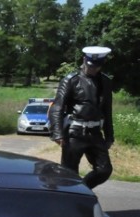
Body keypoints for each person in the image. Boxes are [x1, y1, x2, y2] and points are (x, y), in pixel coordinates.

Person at [48, 46, 114, 189]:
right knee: (69, 175)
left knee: (104, 170)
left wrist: (109, 136)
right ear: (85, 60)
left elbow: (107, 110)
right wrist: (58, 133)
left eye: (97, 66)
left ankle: (82, 190)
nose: (93, 69)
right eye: (91, 65)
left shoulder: (106, 81)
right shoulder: (71, 80)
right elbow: (57, 107)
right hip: (74, 133)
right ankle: (68, 206)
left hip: (95, 133)